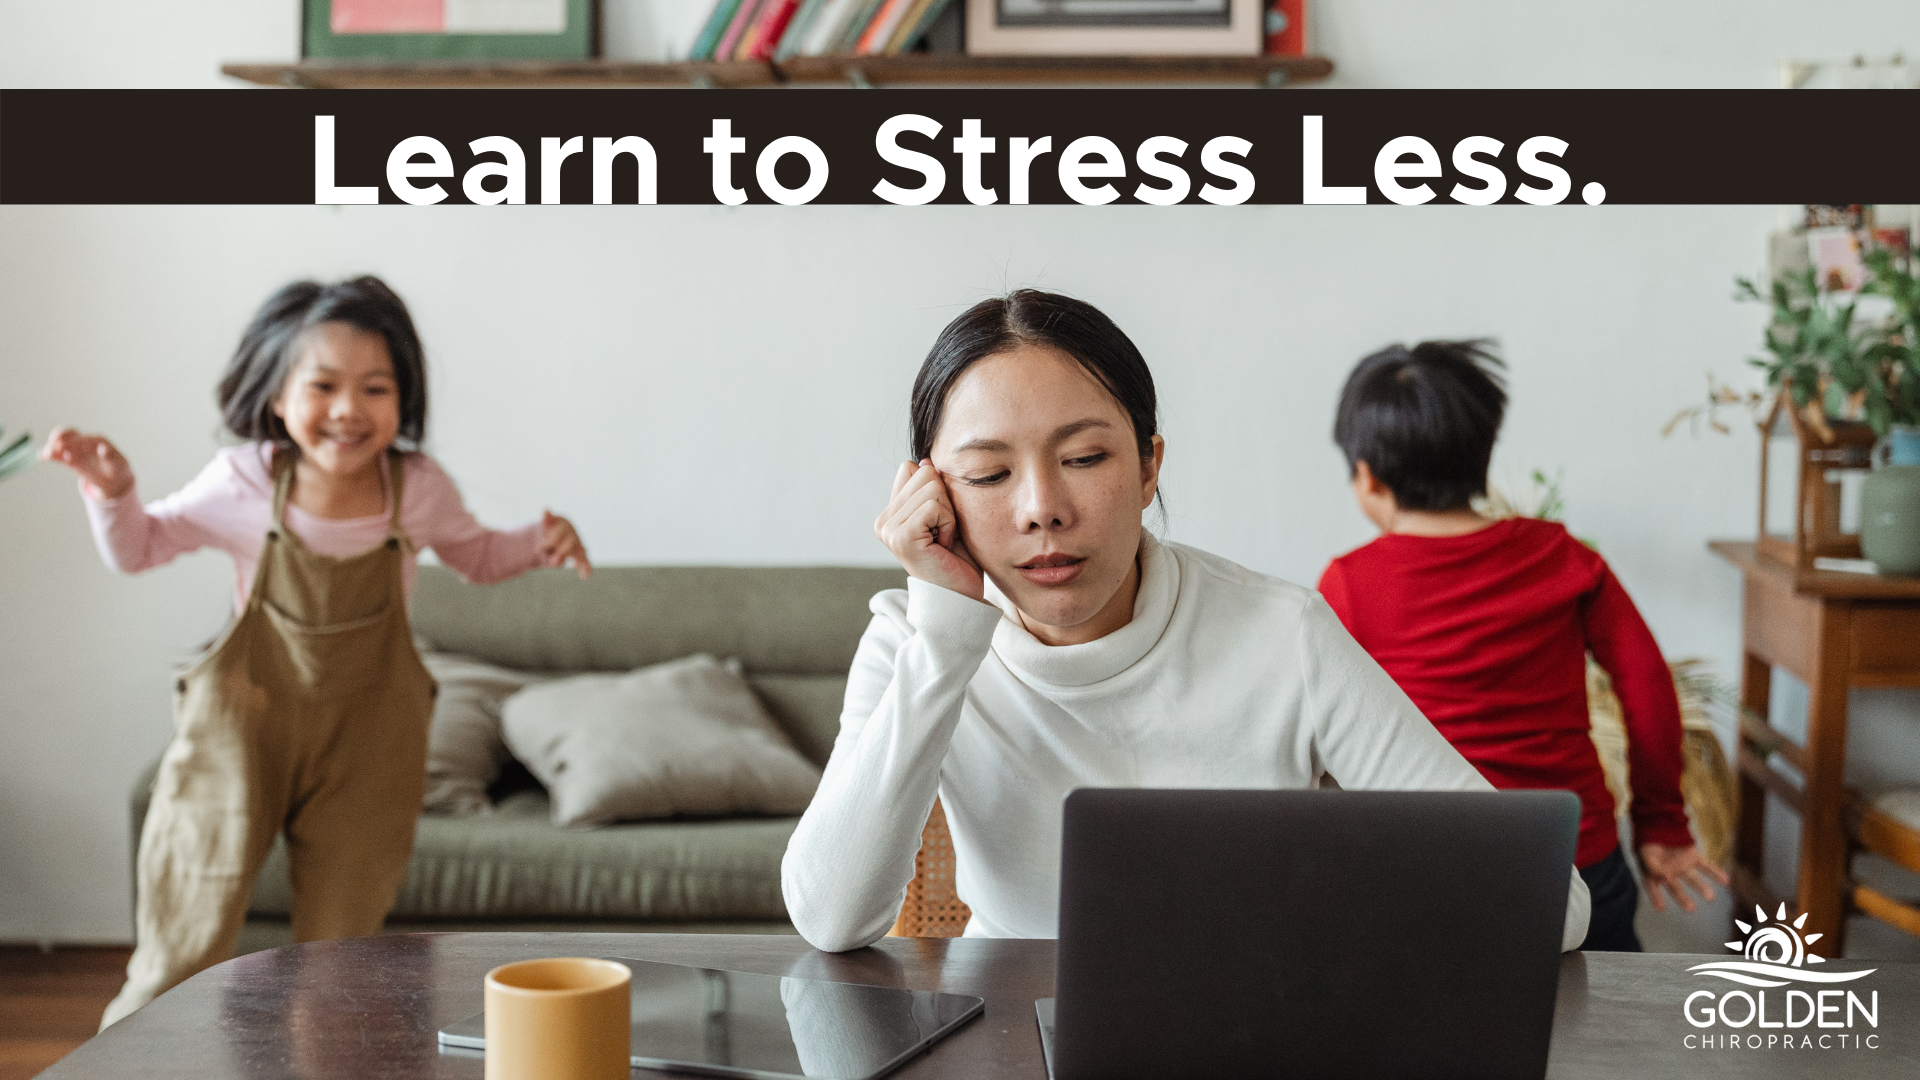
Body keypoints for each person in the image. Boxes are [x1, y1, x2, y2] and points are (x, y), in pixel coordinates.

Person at [780, 290, 1590, 954]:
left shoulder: (1283, 634)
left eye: (1086, 458)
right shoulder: (912, 641)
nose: (1041, 511)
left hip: (1254, 1028)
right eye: (989, 473)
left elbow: (1552, 907)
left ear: (1147, 467)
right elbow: (829, 918)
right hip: (1009, 1032)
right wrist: (946, 636)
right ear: (933, 494)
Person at [42, 276, 592, 1027]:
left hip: (367, 745)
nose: (348, 410)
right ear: (275, 396)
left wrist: (538, 542)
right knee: (180, 947)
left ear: (404, 399)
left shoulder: (417, 489)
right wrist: (113, 494)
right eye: (324, 385)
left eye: (375, 387)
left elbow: (478, 557)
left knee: (340, 966)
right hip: (239, 735)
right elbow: (141, 549)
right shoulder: (243, 481)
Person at [1315, 340, 1727, 953]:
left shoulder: (1348, 584)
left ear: (1368, 476)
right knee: (1607, 1035)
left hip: (1436, 871)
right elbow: (1646, 683)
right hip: (1578, 863)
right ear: (1482, 456)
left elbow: (1326, 730)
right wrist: (1661, 820)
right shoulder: (1563, 557)